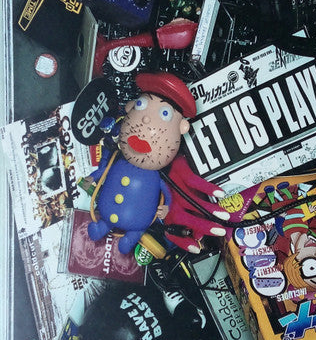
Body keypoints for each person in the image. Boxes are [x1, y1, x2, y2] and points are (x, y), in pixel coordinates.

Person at [83, 72, 227, 254]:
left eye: (165, 113)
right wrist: (91, 177)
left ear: (182, 128)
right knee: (105, 225)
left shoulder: (155, 177)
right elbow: (105, 171)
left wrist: (166, 208)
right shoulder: (117, 159)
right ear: (129, 107)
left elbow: (166, 194)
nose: (146, 119)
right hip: (106, 211)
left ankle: (131, 236)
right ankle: (103, 226)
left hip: (138, 223)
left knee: (132, 237)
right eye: (140, 105)